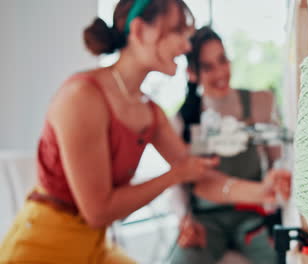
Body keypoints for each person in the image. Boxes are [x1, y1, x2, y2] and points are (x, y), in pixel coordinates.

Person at [0, 1, 220, 263]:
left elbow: (196, 171)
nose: (187, 46)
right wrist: (174, 176)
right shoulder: (82, 97)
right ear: (139, 30)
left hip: (95, 244)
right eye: (178, 32)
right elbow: (98, 211)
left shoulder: (149, 110)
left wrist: (265, 189)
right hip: (45, 244)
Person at [170, 26, 292, 264]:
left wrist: (277, 185)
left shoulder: (259, 103)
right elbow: (177, 184)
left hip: (252, 214)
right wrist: (184, 220)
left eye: (222, 60)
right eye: (207, 66)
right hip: (206, 220)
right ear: (192, 73)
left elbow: (279, 159)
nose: (220, 72)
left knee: (280, 258)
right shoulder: (183, 120)